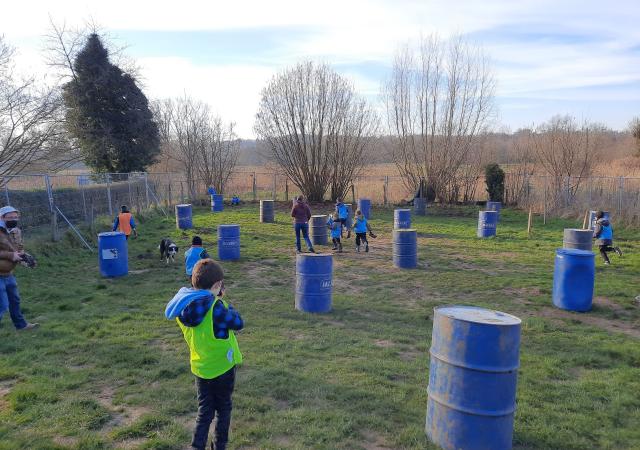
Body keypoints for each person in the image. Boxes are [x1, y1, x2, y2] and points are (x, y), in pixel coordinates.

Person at [165, 259, 244, 450]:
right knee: (223, 409)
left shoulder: (182, 306)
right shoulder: (217, 307)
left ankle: (196, 446)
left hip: (200, 368)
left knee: (205, 411)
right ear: (217, 285)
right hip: (222, 368)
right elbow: (238, 323)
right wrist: (223, 302)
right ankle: (219, 446)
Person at [0, 206, 38, 330]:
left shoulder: (16, 231)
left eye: (16, 217)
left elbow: (19, 248)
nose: (14, 219)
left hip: (8, 272)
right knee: (2, 305)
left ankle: (21, 326)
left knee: (14, 300)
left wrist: (24, 258)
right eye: (10, 217)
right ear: (2, 217)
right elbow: (12, 253)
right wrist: (12, 255)